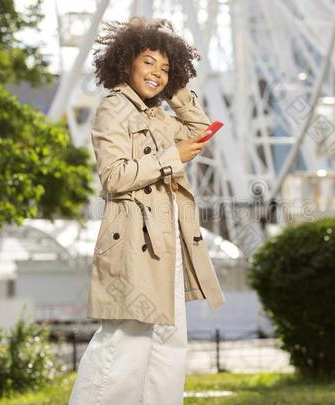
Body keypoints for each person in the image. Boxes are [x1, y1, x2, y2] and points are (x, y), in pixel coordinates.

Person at [68, 17, 225, 405]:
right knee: (124, 345)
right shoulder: (113, 110)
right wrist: (172, 158)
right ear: (127, 63)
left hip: (166, 239)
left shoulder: (157, 115)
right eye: (149, 62)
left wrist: (178, 92)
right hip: (133, 243)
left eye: (165, 68)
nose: (156, 73)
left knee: (168, 346)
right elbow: (115, 177)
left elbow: (200, 133)